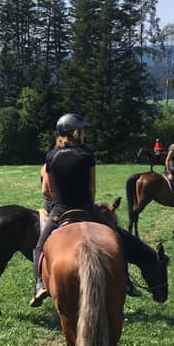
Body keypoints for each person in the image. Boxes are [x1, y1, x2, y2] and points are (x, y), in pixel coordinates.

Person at [30, 113, 140, 307]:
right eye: (82, 131)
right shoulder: (87, 154)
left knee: (39, 246)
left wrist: (57, 200)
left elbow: (45, 189)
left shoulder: (51, 155)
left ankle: (39, 284)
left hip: (59, 211)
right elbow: (92, 187)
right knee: (117, 238)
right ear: (74, 132)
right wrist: (88, 204)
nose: (84, 135)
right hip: (86, 208)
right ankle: (126, 280)